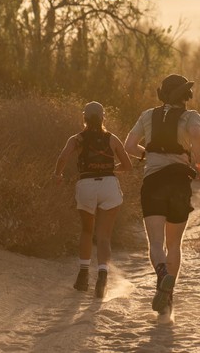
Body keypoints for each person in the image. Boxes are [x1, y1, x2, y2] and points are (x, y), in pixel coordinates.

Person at [125, 74, 200, 316]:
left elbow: (129, 146)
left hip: (153, 182)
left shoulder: (147, 115)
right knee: (174, 244)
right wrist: (199, 164)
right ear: (186, 95)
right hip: (179, 182)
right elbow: (197, 135)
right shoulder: (191, 116)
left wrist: (147, 155)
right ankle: (168, 300)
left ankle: (162, 275)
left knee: (155, 242)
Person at [53, 101, 134, 298]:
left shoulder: (77, 139)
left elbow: (62, 158)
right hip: (109, 185)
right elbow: (128, 165)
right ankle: (102, 276)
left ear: (84, 118)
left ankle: (83, 276)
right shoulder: (112, 138)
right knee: (104, 236)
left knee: (87, 231)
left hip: (86, 185)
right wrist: (110, 169)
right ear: (103, 118)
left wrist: (57, 175)